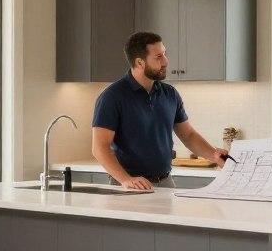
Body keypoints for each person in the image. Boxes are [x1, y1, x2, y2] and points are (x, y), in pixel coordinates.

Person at [92, 32, 229, 190]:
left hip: (165, 181)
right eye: (158, 57)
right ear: (140, 62)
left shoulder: (170, 93)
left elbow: (188, 135)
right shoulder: (112, 97)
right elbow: (100, 147)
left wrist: (213, 155)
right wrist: (126, 180)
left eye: (164, 54)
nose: (166, 61)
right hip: (129, 185)